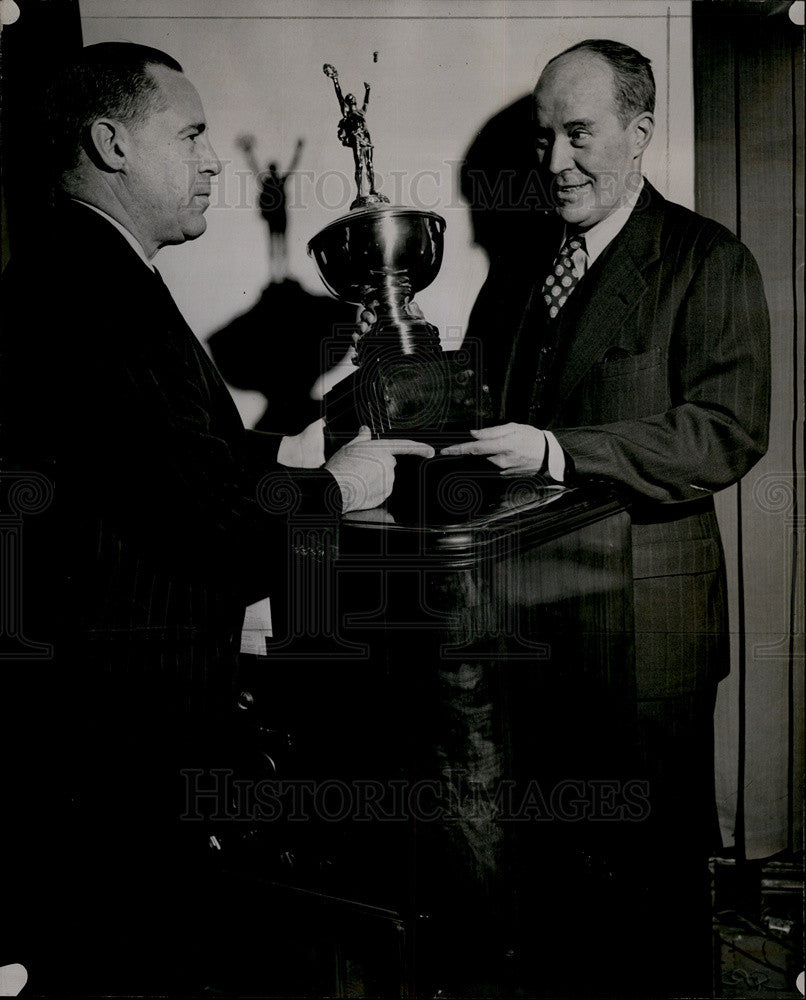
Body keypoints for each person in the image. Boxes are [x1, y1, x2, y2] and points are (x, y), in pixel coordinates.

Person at [0, 42, 432, 994]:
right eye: (189, 135)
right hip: (116, 714)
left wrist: (305, 438)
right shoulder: (92, 288)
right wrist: (343, 488)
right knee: (130, 950)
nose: (209, 162)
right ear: (111, 143)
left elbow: (184, 449)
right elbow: (204, 521)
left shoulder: (100, 270)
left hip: (117, 701)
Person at [444, 38, 770, 995]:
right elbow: (473, 409)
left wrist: (557, 450)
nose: (554, 164)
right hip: (527, 625)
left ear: (639, 133)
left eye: (578, 135)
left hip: (646, 639)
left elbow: (725, 431)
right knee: (545, 869)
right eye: (546, 138)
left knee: (649, 883)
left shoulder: (708, 260)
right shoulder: (515, 277)